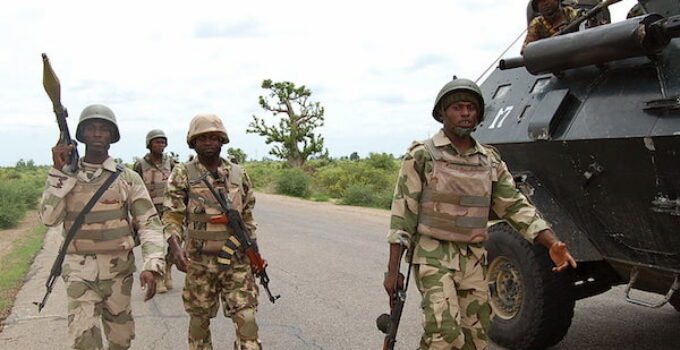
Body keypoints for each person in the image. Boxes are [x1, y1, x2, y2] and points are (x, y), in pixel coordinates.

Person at [383, 78, 577, 350]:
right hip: (433, 255)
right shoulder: (422, 156)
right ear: (442, 113)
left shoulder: (489, 160)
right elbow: (402, 216)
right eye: (457, 108)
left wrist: (552, 242)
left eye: (471, 108)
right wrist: (393, 272)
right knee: (444, 335)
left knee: (474, 339)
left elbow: (516, 206)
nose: (465, 113)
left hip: (473, 258)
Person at [39, 104, 166, 349]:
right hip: (79, 272)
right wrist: (58, 172)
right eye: (91, 128)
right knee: (84, 341)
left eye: (104, 129)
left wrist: (153, 264)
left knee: (121, 340)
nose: (97, 133)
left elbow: (149, 222)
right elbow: (48, 219)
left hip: (118, 274)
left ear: (112, 136)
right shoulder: (66, 175)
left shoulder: (127, 178)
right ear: (82, 135)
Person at [163, 113, 262, 350]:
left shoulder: (238, 174)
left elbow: (247, 218)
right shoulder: (183, 173)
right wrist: (175, 247)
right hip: (199, 263)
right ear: (193, 142)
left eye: (213, 138)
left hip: (237, 262)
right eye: (202, 138)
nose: (208, 143)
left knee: (247, 319)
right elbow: (172, 214)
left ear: (222, 141)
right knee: (199, 322)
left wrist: (256, 256)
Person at [133, 129, 177, 293]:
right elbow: (134, 189)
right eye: (157, 142)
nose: (160, 145)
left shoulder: (172, 164)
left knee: (176, 243)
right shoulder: (140, 165)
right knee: (154, 246)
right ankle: (158, 279)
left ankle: (168, 268)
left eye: (163, 142)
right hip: (148, 212)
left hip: (169, 210)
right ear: (149, 144)